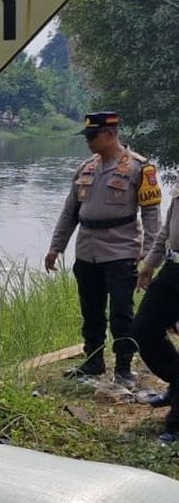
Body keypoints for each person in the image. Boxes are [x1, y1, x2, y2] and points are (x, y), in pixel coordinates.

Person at [45, 111, 162, 386]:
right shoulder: (85, 167)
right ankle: (93, 361)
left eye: (92, 136)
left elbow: (151, 215)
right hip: (87, 251)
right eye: (86, 136)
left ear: (111, 134)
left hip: (121, 250)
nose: (88, 141)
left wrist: (149, 254)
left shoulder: (139, 168)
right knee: (91, 311)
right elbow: (69, 211)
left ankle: (123, 368)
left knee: (122, 312)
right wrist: (56, 246)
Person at [132, 191, 179, 442]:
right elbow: (166, 230)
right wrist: (150, 264)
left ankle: (175, 425)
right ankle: (176, 382)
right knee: (143, 330)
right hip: (173, 269)